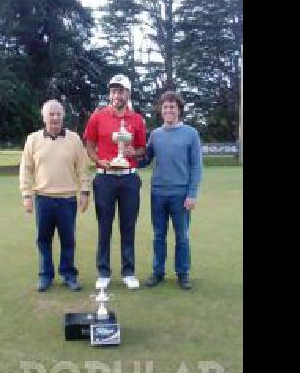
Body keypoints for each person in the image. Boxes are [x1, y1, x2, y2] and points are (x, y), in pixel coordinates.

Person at [19, 99, 91, 292]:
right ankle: (45, 275)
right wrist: (27, 195)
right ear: (43, 117)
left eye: (58, 114)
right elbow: (26, 169)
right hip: (43, 198)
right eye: (51, 114)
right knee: (44, 240)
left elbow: (83, 168)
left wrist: (84, 191)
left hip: (67, 199)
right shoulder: (32, 139)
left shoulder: (74, 139)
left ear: (63, 116)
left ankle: (68, 274)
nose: (55, 117)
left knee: (68, 240)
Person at [83, 74, 147, 290]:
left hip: (129, 177)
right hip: (105, 178)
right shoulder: (98, 117)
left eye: (121, 91)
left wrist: (132, 151)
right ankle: (103, 271)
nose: (116, 95)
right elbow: (89, 145)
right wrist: (98, 160)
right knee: (104, 226)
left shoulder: (137, 119)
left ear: (128, 93)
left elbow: (141, 150)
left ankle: (128, 271)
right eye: (113, 90)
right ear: (110, 93)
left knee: (128, 226)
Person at [141, 91, 203, 290]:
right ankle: (158, 272)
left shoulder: (191, 133)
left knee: (182, 236)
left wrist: (192, 194)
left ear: (179, 110)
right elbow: (145, 159)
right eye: (165, 107)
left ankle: (183, 273)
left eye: (172, 107)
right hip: (158, 193)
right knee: (159, 235)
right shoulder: (155, 135)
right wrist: (124, 154)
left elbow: (196, 166)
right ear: (161, 110)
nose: (168, 110)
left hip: (181, 194)